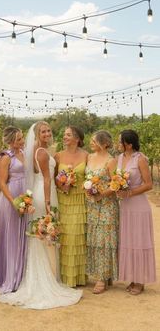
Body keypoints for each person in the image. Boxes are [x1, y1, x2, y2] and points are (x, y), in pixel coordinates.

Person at [0, 121, 82, 309]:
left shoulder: (34, 149)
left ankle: (43, 273)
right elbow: (45, 178)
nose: (47, 133)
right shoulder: (41, 152)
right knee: (44, 235)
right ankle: (45, 277)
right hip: (44, 194)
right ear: (36, 133)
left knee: (40, 235)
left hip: (39, 192)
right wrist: (49, 203)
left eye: (49, 130)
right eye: (43, 131)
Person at [117, 129, 156, 295]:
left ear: (129, 144)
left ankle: (140, 281)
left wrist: (131, 193)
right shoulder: (119, 158)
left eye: (120, 141)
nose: (118, 144)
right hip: (125, 206)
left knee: (139, 241)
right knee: (129, 241)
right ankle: (133, 277)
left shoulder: (140, 159)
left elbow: (149, 184)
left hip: (139, 206)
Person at [85, 130, 119, 294]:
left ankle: (102, 278)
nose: (91, 143)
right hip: (91, 205)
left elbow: (115, 184)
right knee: (94, 240)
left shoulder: (111, 161)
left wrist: (101, 195)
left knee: (104, 241)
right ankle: (102, 274)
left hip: (106, 206)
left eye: (94, 140)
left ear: (104, 143)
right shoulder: (89, 157)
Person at [0, 126, 28, 293]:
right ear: (10, 141)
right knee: (11, 237)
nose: (22, 141)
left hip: (25, 197)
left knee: (23, 235)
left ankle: (22, 275)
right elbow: (1, 183)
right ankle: (9, 276)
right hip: (10, 198)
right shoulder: (5, 157)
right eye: (19, 139)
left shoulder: (25, 154)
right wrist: (14, 201)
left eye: (22, 138)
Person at [54, 126, 88, 287]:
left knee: (76, 238)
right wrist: (62, 185)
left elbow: (92, 177)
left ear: (77, 139)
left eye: (68, 135)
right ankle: (63, 277)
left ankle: (76, 277)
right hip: (63, 200)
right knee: (64, 238)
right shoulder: (58, 155)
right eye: (64, 134)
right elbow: (54, 178)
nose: (64, 137)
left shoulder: (86, 155)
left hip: (80, 201)